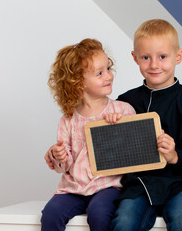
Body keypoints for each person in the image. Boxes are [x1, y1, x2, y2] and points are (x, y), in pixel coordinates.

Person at [45, 19, 182, 231]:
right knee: (124, 220)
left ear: (178, 57)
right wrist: (59, 154)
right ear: (135, 58)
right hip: (140, 187)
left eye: (163, 57)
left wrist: (176, 155)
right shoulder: (123, 104)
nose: (154, 65)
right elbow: (100, 150)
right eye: (146, 57)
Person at [41, 38, 136, 231]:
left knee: (99, 213)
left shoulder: (122, 110)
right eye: (99, 73)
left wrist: (118, 128)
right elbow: (64, 166)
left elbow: (133, 152)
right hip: (73, 188)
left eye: (108, 69)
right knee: (50, 214)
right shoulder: (68, 120)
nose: (108, 76)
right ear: (78, 83)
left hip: (107, 187)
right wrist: (58, 154)